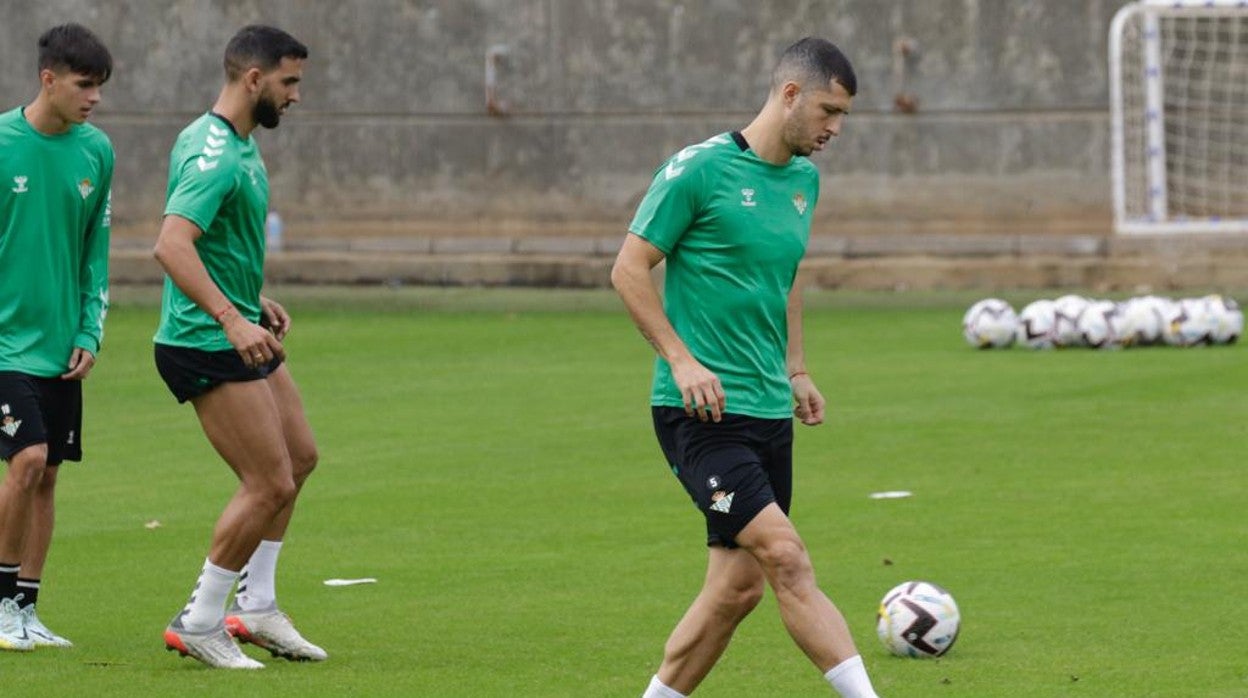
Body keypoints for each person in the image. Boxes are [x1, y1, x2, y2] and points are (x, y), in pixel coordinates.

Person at [612, 38, 881, 697]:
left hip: (766, 411)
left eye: (842, 116)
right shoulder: (698, 171)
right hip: (700, 415)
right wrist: (681, 361)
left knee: (735, 591)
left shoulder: (803, 183)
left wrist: (796, 369)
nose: (834, 129)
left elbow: (784, 277)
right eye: (828, 111)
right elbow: (627, 269)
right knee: (787, 558)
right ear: (789, 95)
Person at [152, 24, 325, 670]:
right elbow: (172, 244)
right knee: (267, 481)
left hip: (237, 328)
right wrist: (230, 318)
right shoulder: (215, 154)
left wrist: (253, 303)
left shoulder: (238, 144)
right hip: (203, 341)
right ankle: (199, 621)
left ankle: (255, 608)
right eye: (289, 82)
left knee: (300, 459)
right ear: (254, 80)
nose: (296, 96)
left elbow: (219, 245)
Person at [0, 23, 114, 653]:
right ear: (49, 79)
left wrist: (89, 331)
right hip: (3, 348)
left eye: (99, 87)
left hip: (61, 345)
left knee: (48, 478)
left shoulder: (97, 151)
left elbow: (97, 250)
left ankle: (26, 608)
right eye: (84, 85)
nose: (94, 97)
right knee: (27, 460)